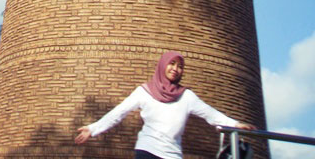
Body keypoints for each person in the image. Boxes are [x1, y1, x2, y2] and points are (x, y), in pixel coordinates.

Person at [74, 50, 255, 159]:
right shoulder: (144, 92)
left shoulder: (186, 97)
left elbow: (211, 115)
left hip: (172, 154)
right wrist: (93, 128)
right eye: (172, 64)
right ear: (163, 65)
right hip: (147, 150)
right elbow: (119, 112)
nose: (175, 69)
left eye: (179, 66)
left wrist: (235, 125)